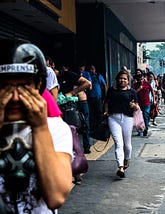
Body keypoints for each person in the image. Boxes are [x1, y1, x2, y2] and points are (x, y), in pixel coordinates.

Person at [0, 38, 73, 213]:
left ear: (38, 85)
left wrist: (40, 128)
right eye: (5, 87)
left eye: (24, 86)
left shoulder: (56, 128)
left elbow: (56, 196)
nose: (16, 97)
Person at [104, 70, 139, 178]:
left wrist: (134, 106)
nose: (122, 80)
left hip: (127, 119)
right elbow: (106, 102)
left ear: (128, 80)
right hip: (113, 118)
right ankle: (120, 167)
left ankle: (127, 159)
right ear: (116, 79)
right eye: (120, 78)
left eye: (124, 78)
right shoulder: (111, 90)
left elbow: (137, 107)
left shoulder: (132, 92)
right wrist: (106, 112)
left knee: (127, 145)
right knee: (118, 143)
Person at [58, 65, 92, 153]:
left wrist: (73, 92)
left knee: (85, 124)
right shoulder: (62, 79)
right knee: (72, 126)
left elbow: (89, 85)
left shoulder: (77, 77)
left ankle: (86, 146)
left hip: (82, 102)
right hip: (70, 104)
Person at [86, 65, 108, 135]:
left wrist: (106, 95)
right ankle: (93, 128)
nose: (91, 71)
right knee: (92, 113)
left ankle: (99, 128)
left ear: (95, 70)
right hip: (89, 97)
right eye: (90, 69)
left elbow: (104, 85)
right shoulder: (87, 77)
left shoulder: (98, 76)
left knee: (99, 112)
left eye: (92, 69)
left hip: (97, 97)